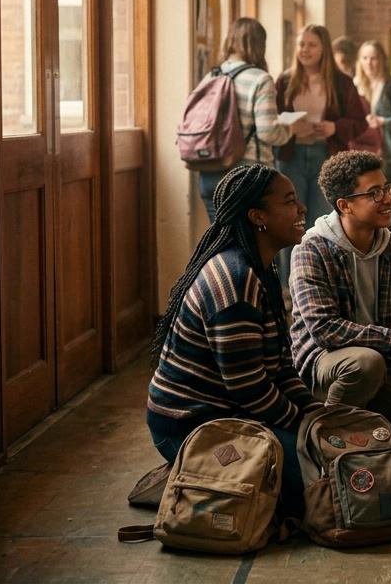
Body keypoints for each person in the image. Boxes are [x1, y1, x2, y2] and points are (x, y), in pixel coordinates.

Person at [147, 163, 315, 518]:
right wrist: (304, 426)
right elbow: (249, 388)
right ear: (258, 217)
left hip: (235, 414)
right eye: (289, 202)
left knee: (326, 459)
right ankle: (189, 475)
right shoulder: (236, 281)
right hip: (191, 426)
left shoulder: (260, 268)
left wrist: (315, 413)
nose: (301, 209)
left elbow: (281, 368)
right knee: (316, 482)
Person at [288, 150, 391, 455]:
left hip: (380, 369)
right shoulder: (311, 250)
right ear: (344, 205)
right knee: (366, 363)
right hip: (329, 367)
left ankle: (366, 428)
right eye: (373, 193)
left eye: (386, 189)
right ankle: (322, 439)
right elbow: (324, 329)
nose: (386, 199)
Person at [274, 25, 368, 280]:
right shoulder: (285, 80)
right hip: (290, 157)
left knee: (323, 223)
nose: (304, 50)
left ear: (324, 48)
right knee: (287, 222)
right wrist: (288, 125)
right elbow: (271, 121)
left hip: (326, 157)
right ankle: (288, 285)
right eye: (301, 44)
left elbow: (360, 122)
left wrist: (334, 127)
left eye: (311, 44)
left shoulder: (341, 82)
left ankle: (320, 281)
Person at [196, 18, 294, 221]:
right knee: (254, 246)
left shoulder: (211, 76)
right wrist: (291, 128)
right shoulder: (260, 79)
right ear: (260, 45)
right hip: (247, 176)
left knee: (221, 244)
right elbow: (268, 132)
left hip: (209, 173)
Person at [353, 40, 391, 233]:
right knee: (366, 199)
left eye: (374, 58)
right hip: (362, 152)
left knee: (387, 201)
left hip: (390, 153)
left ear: (382, 61)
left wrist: (382, 121)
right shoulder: (354, 86)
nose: (369, 63)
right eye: (365, 58)